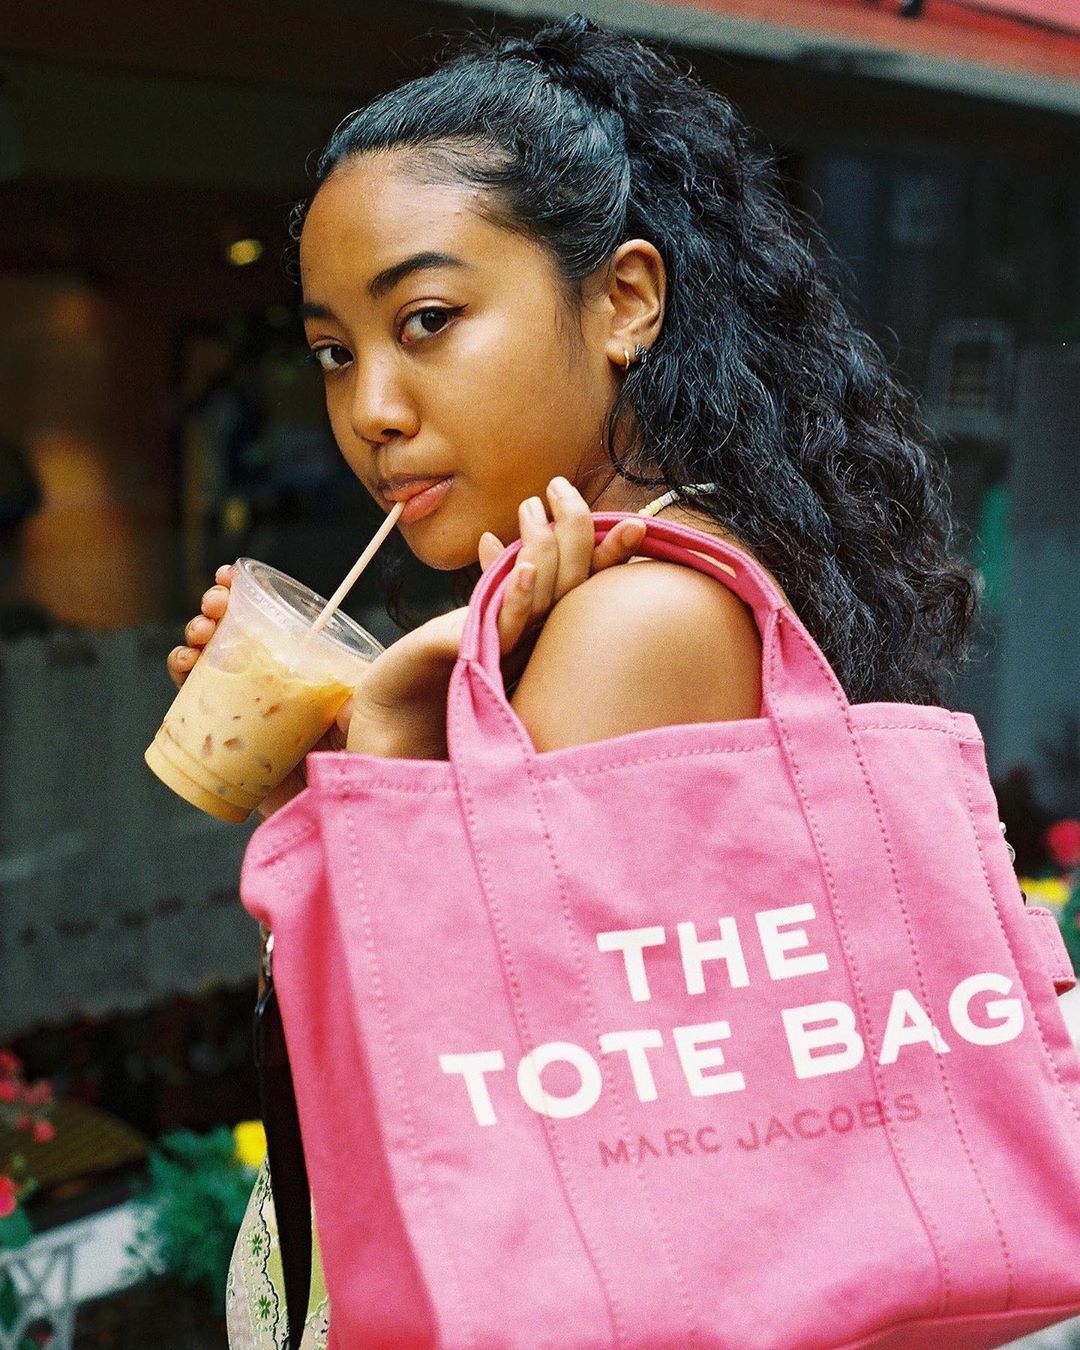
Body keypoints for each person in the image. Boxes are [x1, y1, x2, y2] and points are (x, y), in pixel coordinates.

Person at [166, 14, 979, 1346]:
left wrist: (372, 741)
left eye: (428, 321)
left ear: (625, 300)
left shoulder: (635, 621)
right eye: (332, 348)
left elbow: (463, 1109)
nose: (371, 404)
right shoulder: (678, 566)